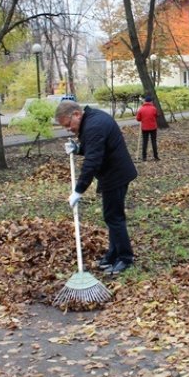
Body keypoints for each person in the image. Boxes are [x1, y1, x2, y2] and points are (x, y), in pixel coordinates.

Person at [58, 101, 137, 275]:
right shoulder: (91, 120)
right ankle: (113, 254)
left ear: (77, 114)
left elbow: (92, 161)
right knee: (111, 217)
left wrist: (78, 191)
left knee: (114, 217)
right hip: (113, 172)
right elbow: (95, 147)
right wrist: (78, 148)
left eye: (68, 124)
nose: (68, 129)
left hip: (116, 174)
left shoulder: (94, 125)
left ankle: (125, 258)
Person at [136, 95, 160, 161]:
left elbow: (138, 119)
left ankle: (144, 157)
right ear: (151, 101)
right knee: (153, 141)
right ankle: (156, 156)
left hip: (144, 128)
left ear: (145, 101)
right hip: (153, 128)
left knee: (145, 142)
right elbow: (156, 115)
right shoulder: (154, 108)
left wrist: (142, 118)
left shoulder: (141, 109)